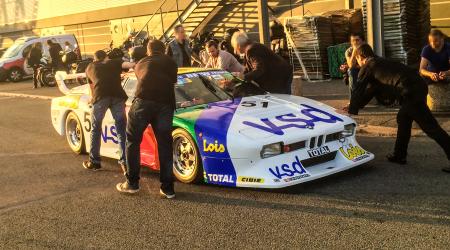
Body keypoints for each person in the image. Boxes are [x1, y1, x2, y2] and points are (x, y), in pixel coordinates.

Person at [346, 44, 450, 173]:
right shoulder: (380, 62)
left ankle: (399, 155)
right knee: (403, 118)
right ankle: (399, 155)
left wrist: (351, 111)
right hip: (416, 87)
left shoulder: (369, 65)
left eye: (357, 60)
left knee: (431, 127)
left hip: (411, 92)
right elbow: (372, 91)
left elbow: (358, 89)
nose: (358, 64)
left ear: (361, 57)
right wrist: (355, 106)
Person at [117, 40, 178, 197]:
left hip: (143, 102)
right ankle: (167, 188)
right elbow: (172, 80)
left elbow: (141, 77)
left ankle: (132, 183)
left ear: (148, 51)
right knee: (165, 144)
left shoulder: (141, 62)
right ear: (164, 50)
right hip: (165, 104)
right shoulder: (171, 62)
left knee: (132, 141)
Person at [83, 50, 135, 172]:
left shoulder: (90, 67)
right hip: (117, 96)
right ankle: (125, 162)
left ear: (95, 59)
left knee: (96, 129)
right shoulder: (113, 63)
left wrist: (92, 99)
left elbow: (91, 87)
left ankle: (94, 161)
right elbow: (129, 65)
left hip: (100, 97)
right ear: (106, 58)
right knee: (121, 129)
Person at [344, 33, 365, 100]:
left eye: (357, 40)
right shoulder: (348, 51)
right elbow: (351, 65)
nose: (355, 42)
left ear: (362, 41)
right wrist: (354, 51)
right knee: (351, 71)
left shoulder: (366, 49)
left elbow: (365, 65)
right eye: (353, 40)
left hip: (367, 70)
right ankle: (353, 100)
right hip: (356, 71)